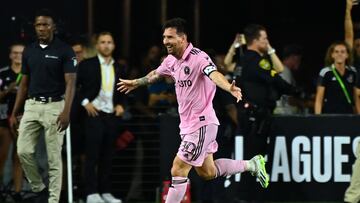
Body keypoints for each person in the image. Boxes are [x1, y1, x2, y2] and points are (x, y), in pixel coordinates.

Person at [118, 18, 269, 203]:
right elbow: (156, 74)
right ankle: (251, 164)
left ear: (182, 38)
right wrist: (136, 82)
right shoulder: (171, 60)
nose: (165, 41)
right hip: (190, 125)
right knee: (208, 172)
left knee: (178, 168)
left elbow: (214, 74)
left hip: (202, 123)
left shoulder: (199, 57)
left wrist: (229, 87)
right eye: (164, 37)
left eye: (170, 37)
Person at [9, 9, 77, 203]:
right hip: (31, 106)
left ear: (53, 27)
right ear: (35, 27)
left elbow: (71, 82)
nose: (42, 28)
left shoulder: (65, 50)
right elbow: (23, 84)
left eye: (46, 24)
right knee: (23, 150)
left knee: (54, 158)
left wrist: (66, 111)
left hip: (55, 106)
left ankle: (53, 200)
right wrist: (15, 112)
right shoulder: (29, 50)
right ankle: (38, 185)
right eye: (38, 25)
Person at [76, 31, 124, 203]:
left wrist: (121, 104)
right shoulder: (87, 64)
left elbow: (123, 89)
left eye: (109, 42)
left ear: (114, 45)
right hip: (93, 114)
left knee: (108, 156)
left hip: (111, 115)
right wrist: (84, 102)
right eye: (102, 42)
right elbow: (74, 86)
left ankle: (105, 192)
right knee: (92, 156)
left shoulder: (119, 66)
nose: (106, 45)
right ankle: (90, 193)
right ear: (97, 45)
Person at [0, 43, 25, 201]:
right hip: (3, 119)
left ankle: (17, 192)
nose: (18, 56)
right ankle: (1, 189)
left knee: (19, 156)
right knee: (2, 156)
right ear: (10, 55)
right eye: (15, 53)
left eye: (21, 53)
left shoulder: (29, 73)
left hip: (23, 119)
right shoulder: (2, 74)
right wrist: (9, 90)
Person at [314, 41, 360, 114]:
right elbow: (319, 99)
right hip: (330, 115)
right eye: (336, 52)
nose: (339, 54)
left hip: (348, 115)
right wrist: (318, 119)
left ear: (347, 55)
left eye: (342, 52)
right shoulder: (325, 72)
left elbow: (356, 98)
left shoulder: (352, 72)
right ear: (332, 55)